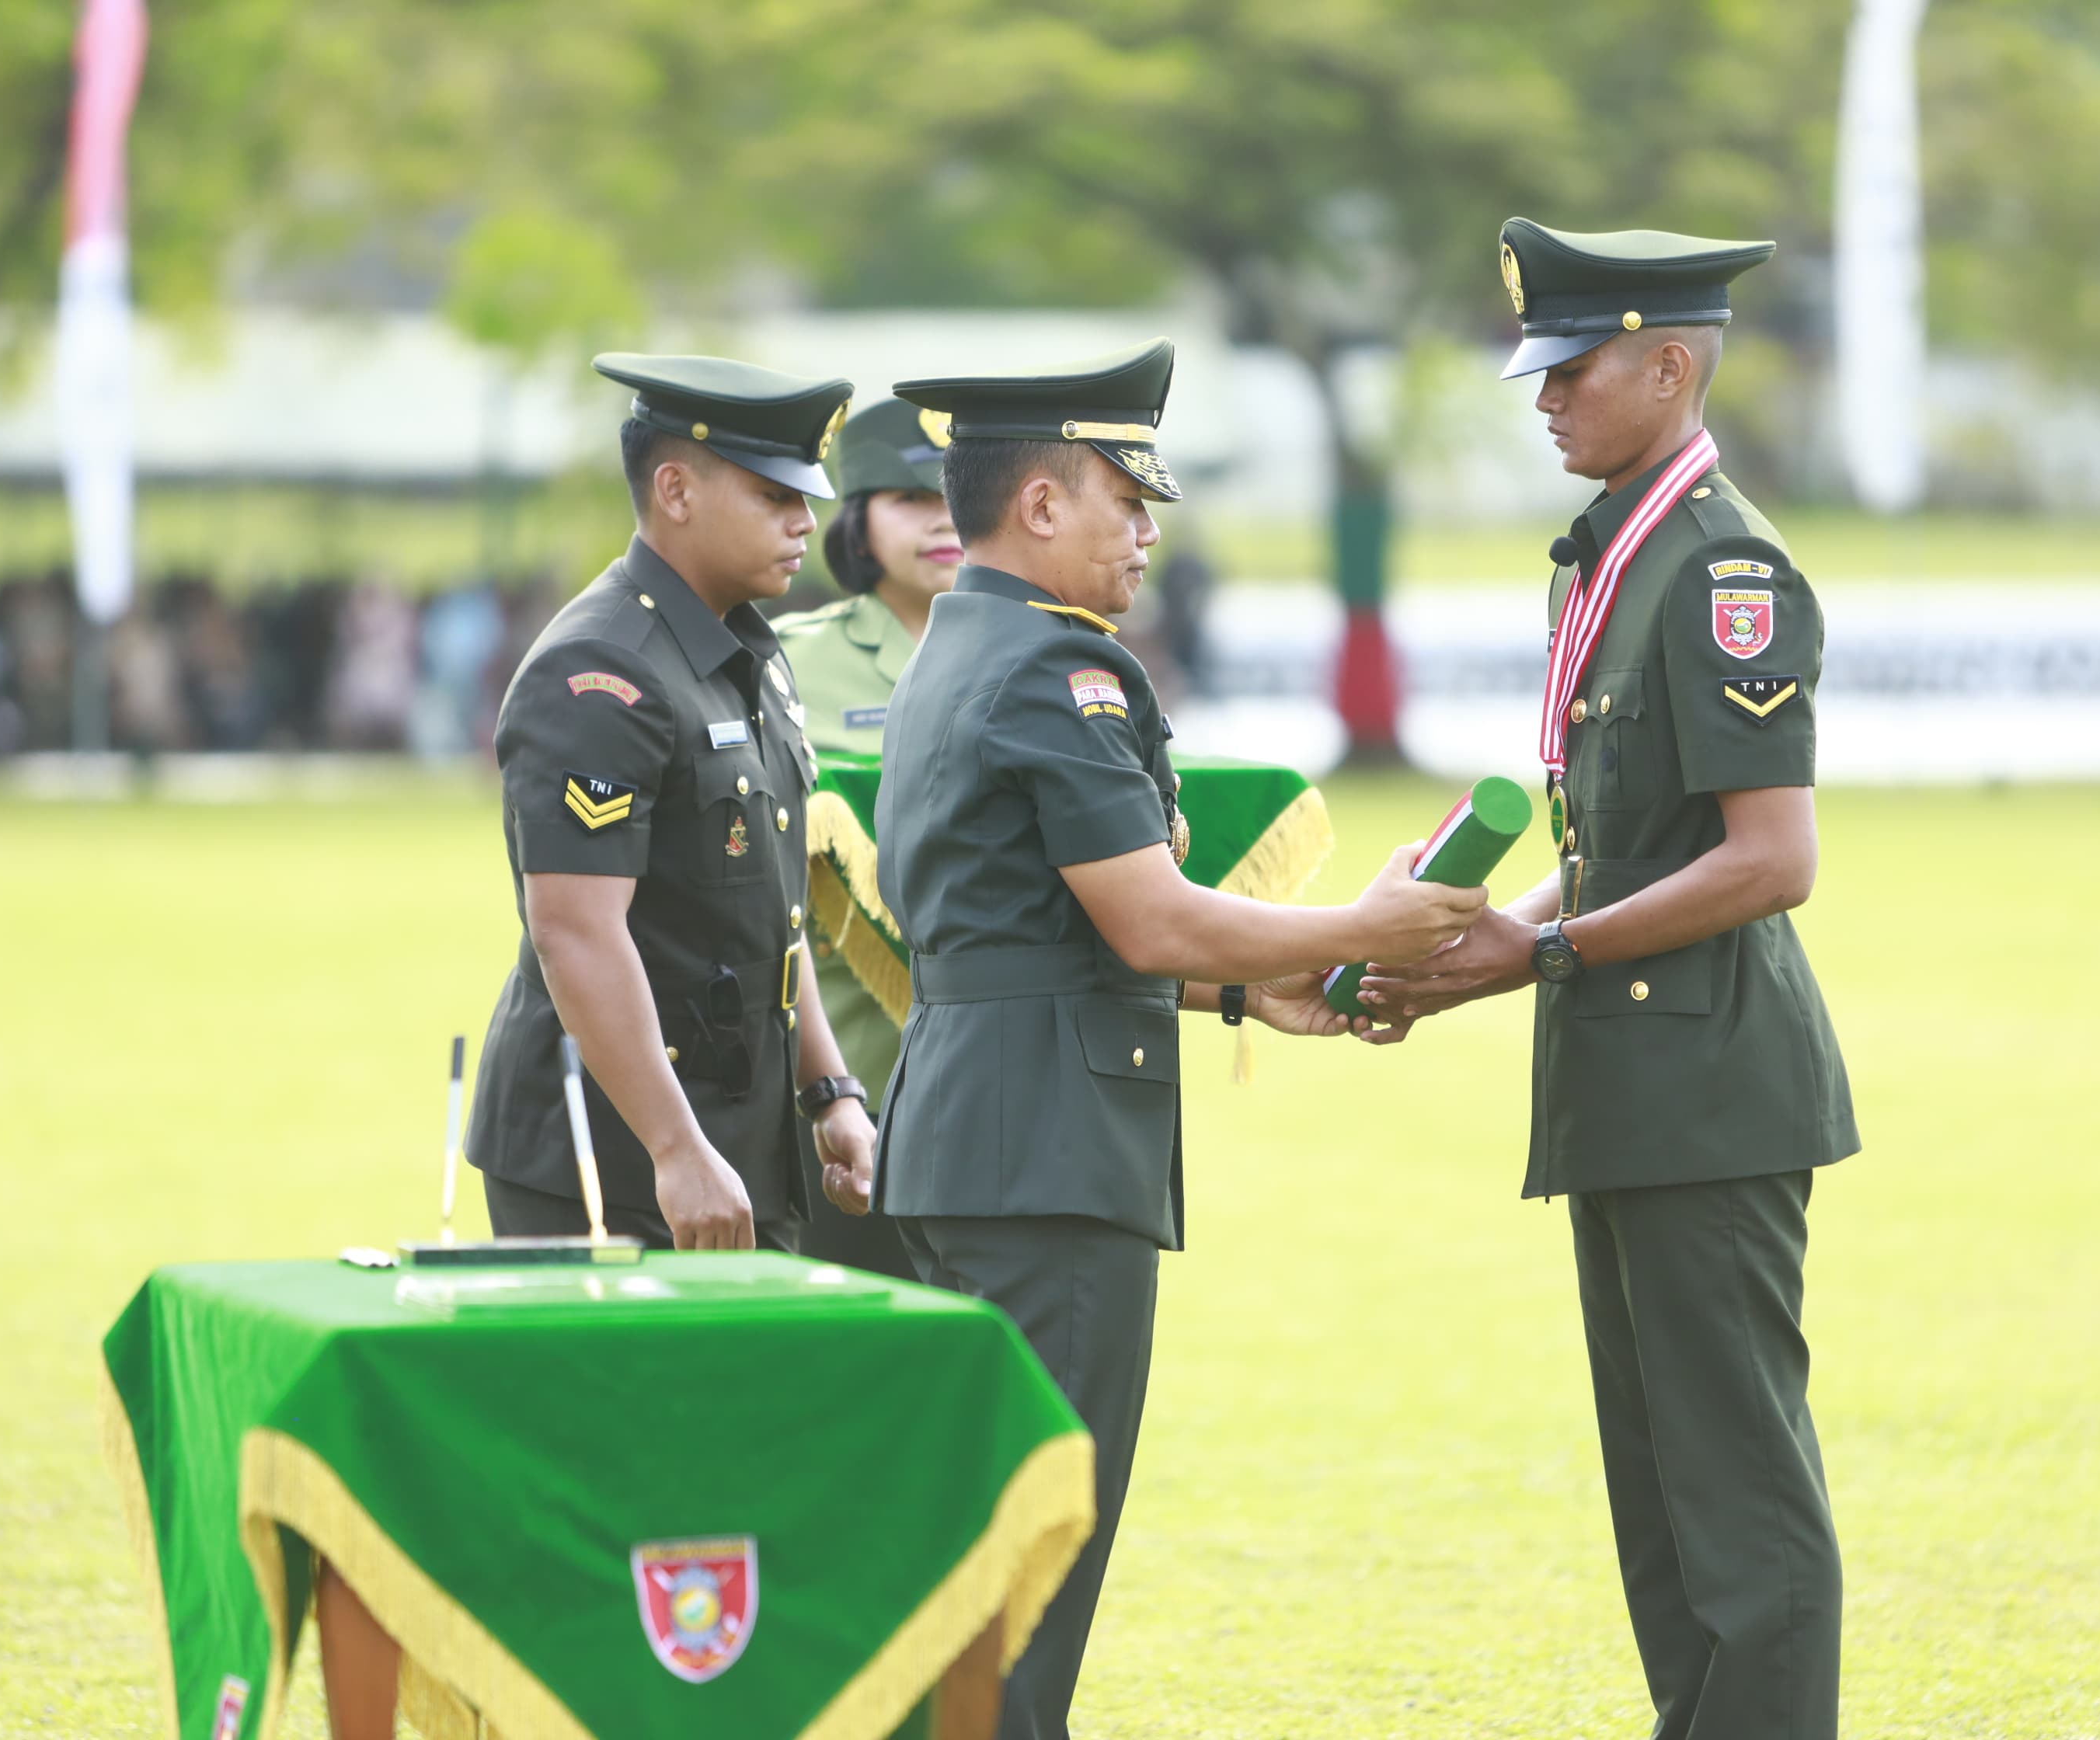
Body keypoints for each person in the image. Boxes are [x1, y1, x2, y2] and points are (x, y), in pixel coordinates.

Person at [873, 337, 1486, 1740]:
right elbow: (1149, 919)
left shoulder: (958, 645)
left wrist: (1244, 990)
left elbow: (1042, 927)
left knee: (972, 1550)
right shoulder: (1057, 675)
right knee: (1033, 1557)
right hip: (1046, 1156)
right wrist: (1364, 927)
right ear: (1038, 507)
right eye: (1123, 500)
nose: (1147, 532)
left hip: (973, 1134)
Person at [1360, 221, 1859, 1740]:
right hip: (1632, 1084)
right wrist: (1473, 958)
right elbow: (1617, 840)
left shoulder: (1723, 576)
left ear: (1667, 364)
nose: (1543, 399)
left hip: (1708, 1087)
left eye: (1571, 369)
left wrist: (1545, 949)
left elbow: (1772, 858)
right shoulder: (1619, 555)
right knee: (1661, 1497)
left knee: (1740, 1499)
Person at [464, 353, 878, 1253]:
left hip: (729, 1140)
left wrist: (830, 1088)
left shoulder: (743, 658)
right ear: (677, 490)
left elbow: (775, 912)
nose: (805, 520)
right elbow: (576, 929)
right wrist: (675, 1144)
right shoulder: (600, 673)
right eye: (774, 494)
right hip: (608, 1157)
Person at [774, 397, 962, 1279]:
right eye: (910, 499)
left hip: (992, 1067)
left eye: (961, 495)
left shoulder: (1041, 650)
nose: (944, 521)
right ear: (856, 519)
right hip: (846, 1055)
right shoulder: (790, 658)